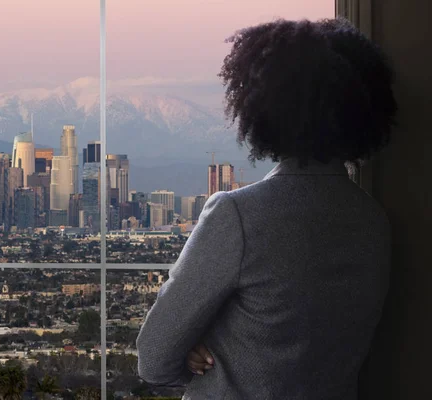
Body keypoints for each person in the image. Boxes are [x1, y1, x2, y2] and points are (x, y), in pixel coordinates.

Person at [136, 18, 397, 399]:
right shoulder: (374, 221)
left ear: (263, 107)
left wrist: (204, 353)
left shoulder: (237, 216)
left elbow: (153, 359)